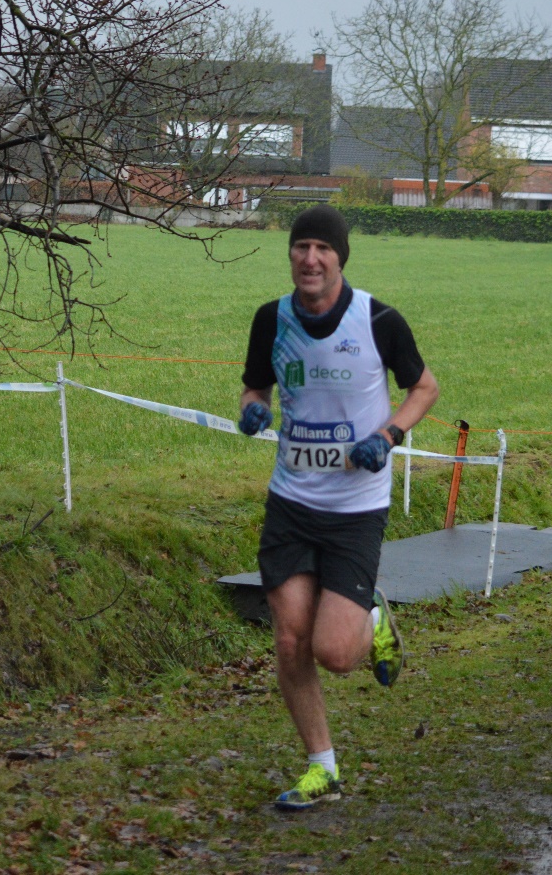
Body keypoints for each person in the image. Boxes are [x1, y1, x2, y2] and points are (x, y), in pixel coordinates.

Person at [238, 204, 439, 810]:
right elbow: (256, 383)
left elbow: (424, 388)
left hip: (356, 508)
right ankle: (321, 767)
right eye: (302, 247)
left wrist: (389, 435)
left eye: (323, 248)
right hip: (292, 501)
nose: (311, 258)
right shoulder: (271, 319)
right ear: (291, 255)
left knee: (333, 652)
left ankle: (372, 624)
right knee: (290, 641)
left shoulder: (377, 319)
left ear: (340, 258)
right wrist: (253, 407)